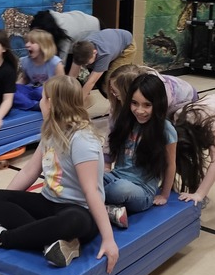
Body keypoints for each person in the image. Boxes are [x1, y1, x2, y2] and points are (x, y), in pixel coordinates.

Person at [0, 75, 119, 273]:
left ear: (51, 103)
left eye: (43, 98)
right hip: (49, 203)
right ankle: (51, 242)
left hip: (79, 211)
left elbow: (91, 191)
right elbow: (29, 171)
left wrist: (108, 239)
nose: (41, 102)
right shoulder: (51, 131)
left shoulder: (82, 140)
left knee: (73, 220)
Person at [103, 72, 177, 228]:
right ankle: (106, 209)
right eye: (134, 103)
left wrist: (164, 195)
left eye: (147, 105)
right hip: (116, 177)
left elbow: (170, 165)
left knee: (120, 188)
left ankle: (93, 204)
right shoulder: (126, 121)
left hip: (141, 191)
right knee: (90, 178)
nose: (139, 110)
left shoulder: (166, 130)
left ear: (158, 104)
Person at [106, 64, 198, 124]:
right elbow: (114, 118)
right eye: (111, 89)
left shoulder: (158, 92)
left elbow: (156, 122)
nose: (112, 93)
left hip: (186, 100)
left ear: (127, 92)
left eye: (115, 92)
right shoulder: (133, 88)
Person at [68, 28, 137, 108]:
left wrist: (76, 105)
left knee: (111, 82)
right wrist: (66, 96)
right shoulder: (80, 50)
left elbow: (91, 82)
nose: (85, 65)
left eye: (87, 62)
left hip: (127, 46)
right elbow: (72, 76)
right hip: (112, 41)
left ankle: (119, 107)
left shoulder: (104, 54)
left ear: (94, 52)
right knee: (94, 77)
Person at [13, 28, 64, 110]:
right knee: (13, 91)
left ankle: (29, 103)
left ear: (44, 46)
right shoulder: (25, 61)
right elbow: (25, 79)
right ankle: (35, 105)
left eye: (32, 42)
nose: (27, 45)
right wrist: (14, 87)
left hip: (48, 92)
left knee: (40, 91)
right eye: (27, 42)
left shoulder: (55, 62)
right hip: (32, 90)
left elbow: (62, 85)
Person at [31, 9, 100, 65]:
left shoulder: (64, 34)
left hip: (94, 29)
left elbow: (61, 62)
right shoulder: (50, 17)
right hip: (83, 21)